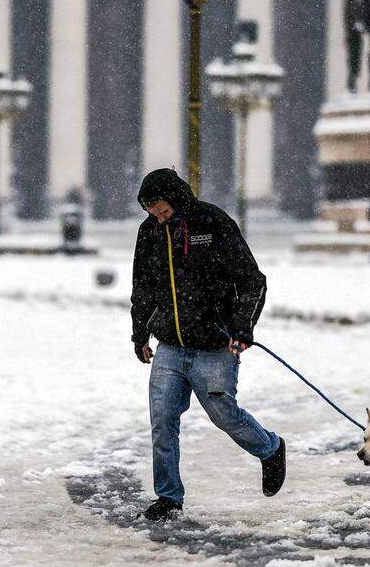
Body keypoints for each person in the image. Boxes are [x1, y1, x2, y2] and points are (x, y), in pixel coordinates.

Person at [131, 168, 284, 522]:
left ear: (177, 198)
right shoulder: (149, 232)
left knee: (224, 415)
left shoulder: (213, 222)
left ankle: (270, 448)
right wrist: (140, 334)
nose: (159, 217)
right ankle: (169, 498)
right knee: (162, 420)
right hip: (169, 345)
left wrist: (243, 326)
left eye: (163, 211)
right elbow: (142, 288)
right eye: (152, 212)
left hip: (215, 344)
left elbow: (252, 280)